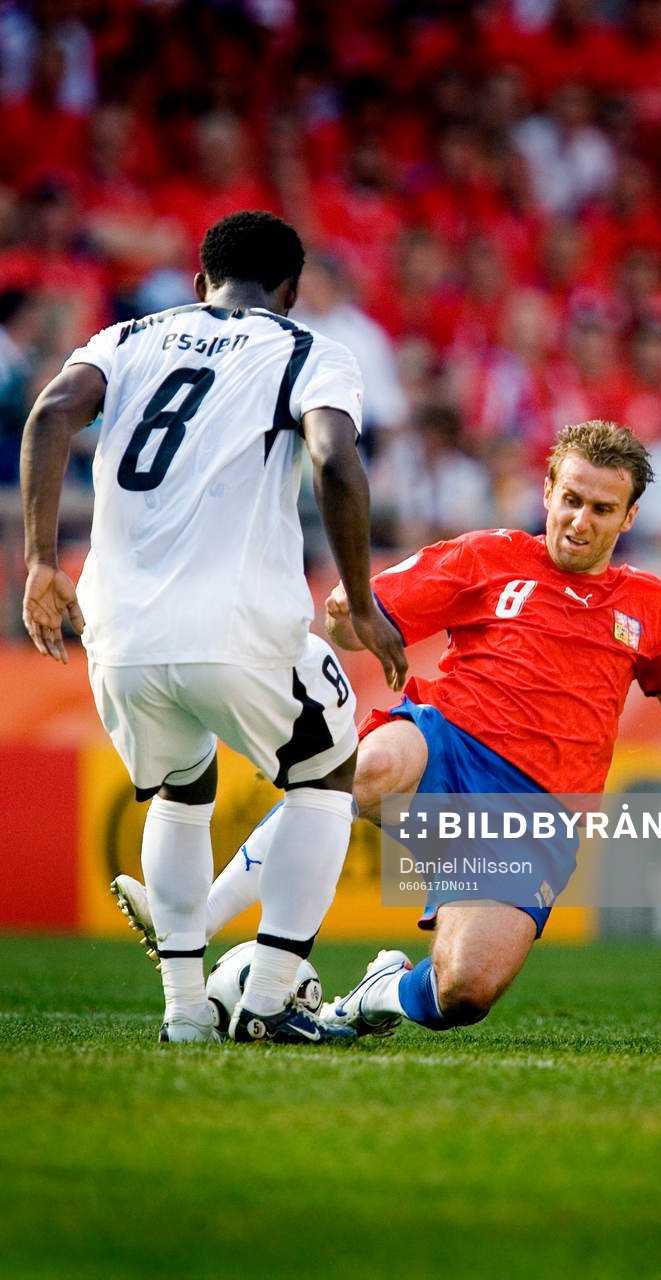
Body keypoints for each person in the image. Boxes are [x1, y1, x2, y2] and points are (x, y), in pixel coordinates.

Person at [113, 420, 661, 1038]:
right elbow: (360, 624)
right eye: (570, 498)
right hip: (445, 743)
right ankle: (196, 919)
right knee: (364, 767)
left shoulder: (651, 607)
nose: (580, 520)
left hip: (534, 816)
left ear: (628, 516)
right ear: (547, 489)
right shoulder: (487, 558)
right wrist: (348, 617)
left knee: (465, 991)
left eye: (601, 509)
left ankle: (376, 994)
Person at [20, 210, 406, 1044]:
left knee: (182, 792)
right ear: (291, 292)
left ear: (201, 282)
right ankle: (268, 998)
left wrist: (42, 562)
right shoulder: (307, 350)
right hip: (235, 623)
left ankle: (186, 1012)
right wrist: (362, 598)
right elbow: (335, 458)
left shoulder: (125, 339)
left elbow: (51, 412)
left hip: (117, 629)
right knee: (327, 776)